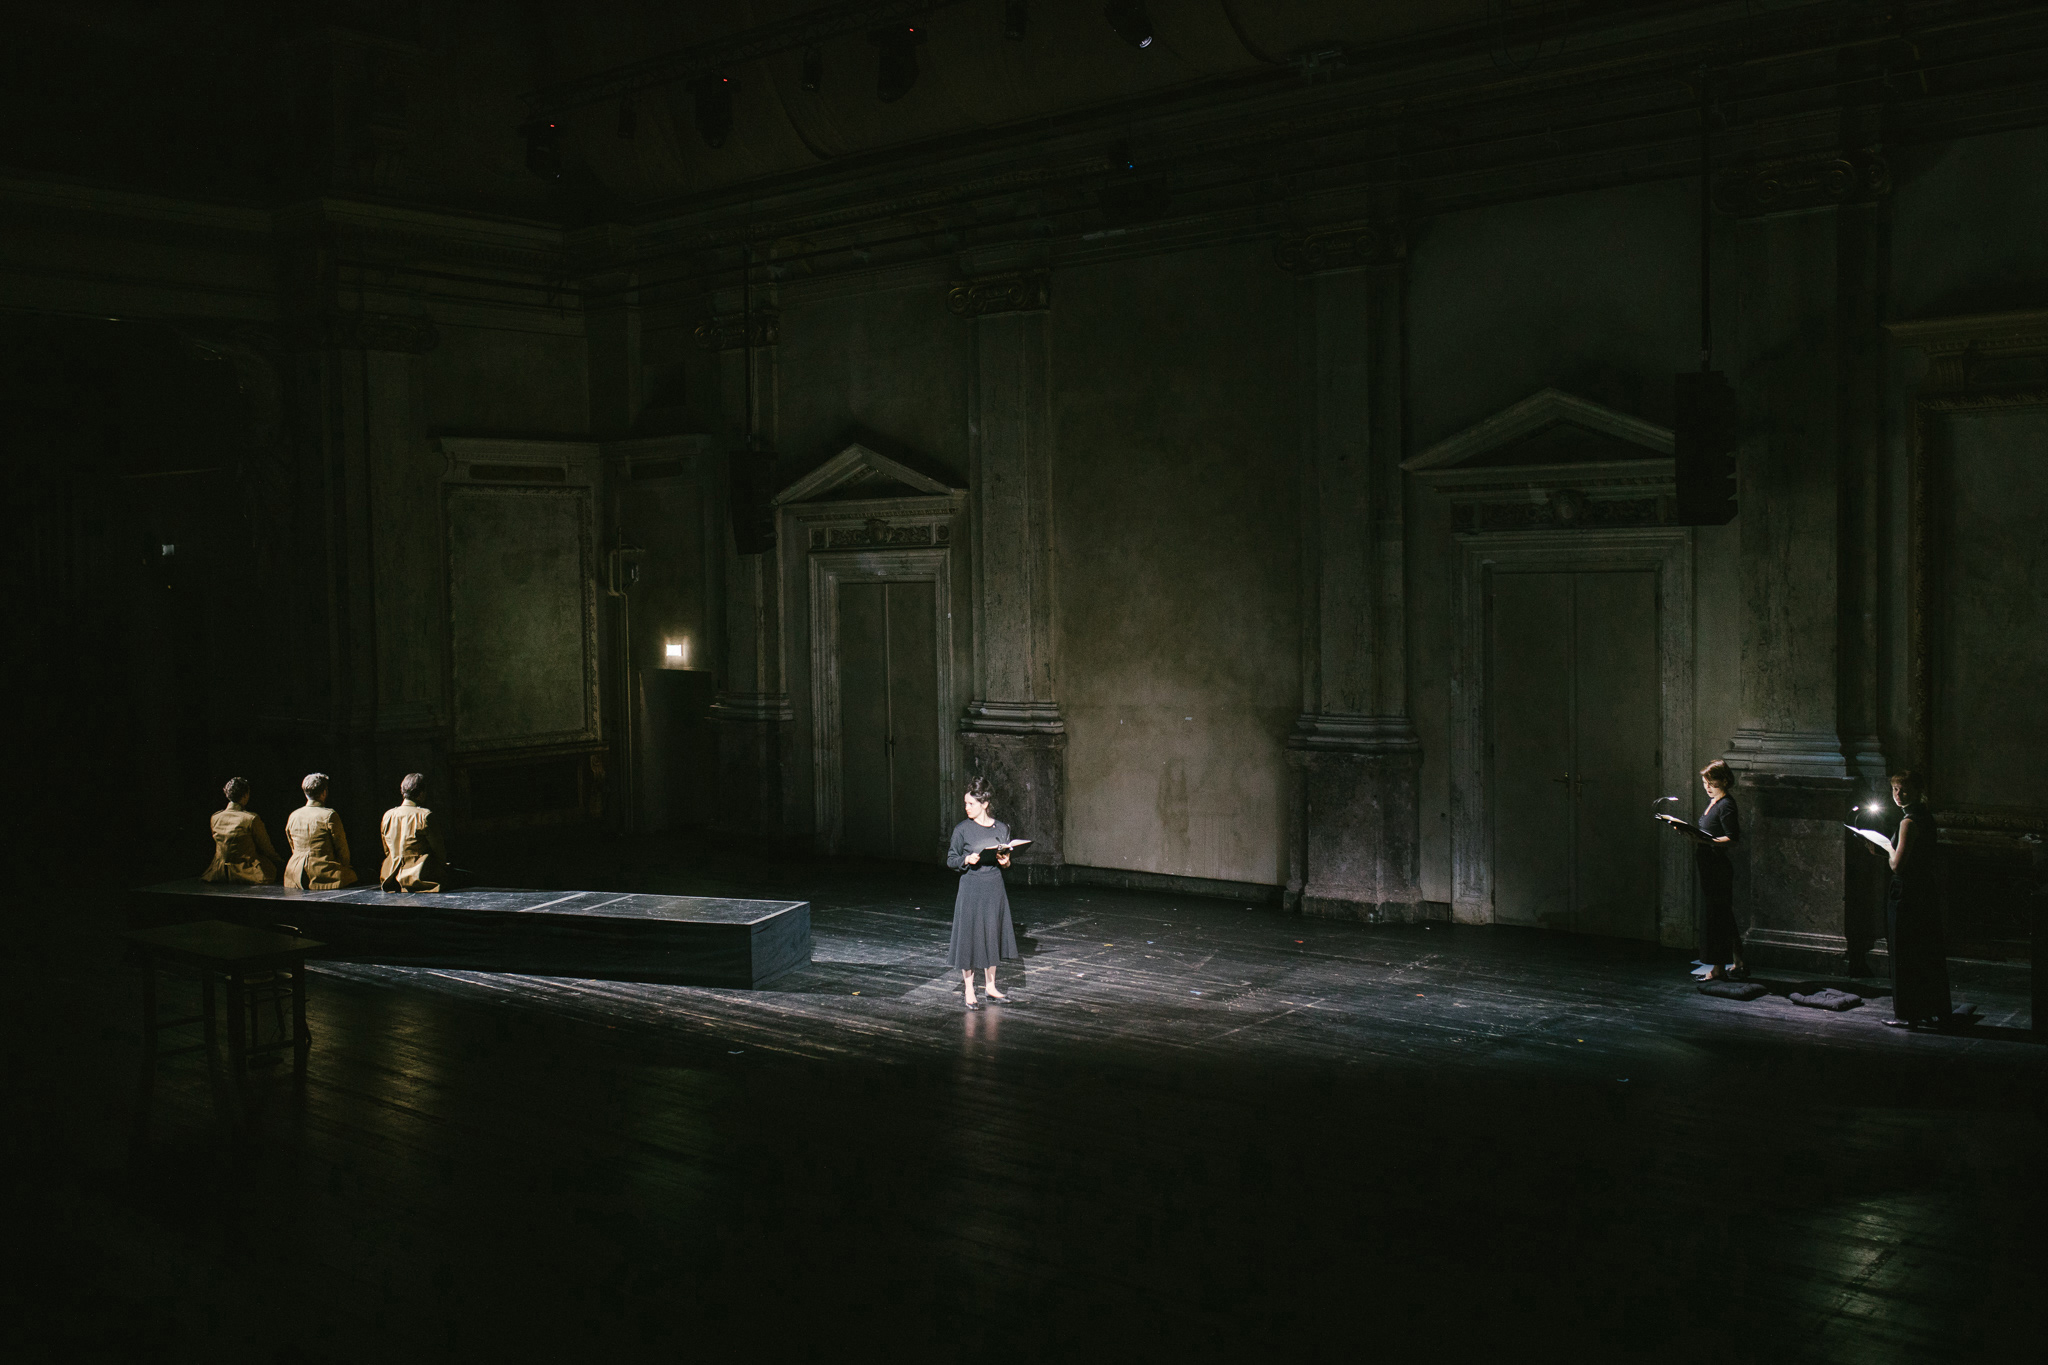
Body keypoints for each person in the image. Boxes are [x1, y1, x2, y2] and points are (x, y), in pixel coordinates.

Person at [1869, 770, 1953, 1028]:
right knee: (1924, 951)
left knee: (1903, 952)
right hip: (1923, 889)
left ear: (1918, 791)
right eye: (1895, 789)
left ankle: (1907, 1014)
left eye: (1904, 789)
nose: (1898, 794)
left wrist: (1886, 848)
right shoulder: (1925, 816)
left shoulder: (1909, 822)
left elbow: (1897, 865)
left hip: (1906, 892)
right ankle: (1932, 1011)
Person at [946, 775, 1020, 1009]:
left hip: (994, 886)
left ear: (985, 804)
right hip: (971, 886)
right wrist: (966, 859)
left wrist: (1006, 862)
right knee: (969, 935)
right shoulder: (962, 829)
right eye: (966, 803)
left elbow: (1005, 861)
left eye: (971, 803)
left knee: (992, 932)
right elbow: (951, 859)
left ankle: (990, 986)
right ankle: (969, 989)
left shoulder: (1002, 828)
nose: (966, 807)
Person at [1690, 761, 1745, 981]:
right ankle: (1739, 961)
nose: (1708, 787)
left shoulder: (1726, 805)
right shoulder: (1714, 802)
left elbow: (1733, 839)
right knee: (1722, 915)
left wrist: (1705, 840)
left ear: (1724, 781)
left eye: (1712, 783)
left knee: (1716, 917)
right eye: (1705, 783)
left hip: (1716, 866)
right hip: (1708, 863)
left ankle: (1718, 969)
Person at [284, 772, 358, 890]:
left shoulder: (293, 815)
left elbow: (292, 844)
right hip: (323, 874)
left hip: (294, 874)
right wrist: (345, 866)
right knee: (356, 875)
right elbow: (341, 848)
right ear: (324, 792)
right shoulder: (329, 815)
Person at [201, 776, 281, 884]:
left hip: (219, 872)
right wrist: (278, 860)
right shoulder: (251, 819)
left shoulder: (215, 817)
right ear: (245, 795)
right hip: (247, 872)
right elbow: (265, 847)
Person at [379, 772, 449, 893]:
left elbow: (387, 850)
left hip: (391, 878)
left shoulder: (387, 815)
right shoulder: (425, 816)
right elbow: (438, 850)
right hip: (419, 877)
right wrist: (444, 866)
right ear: (421, 794)